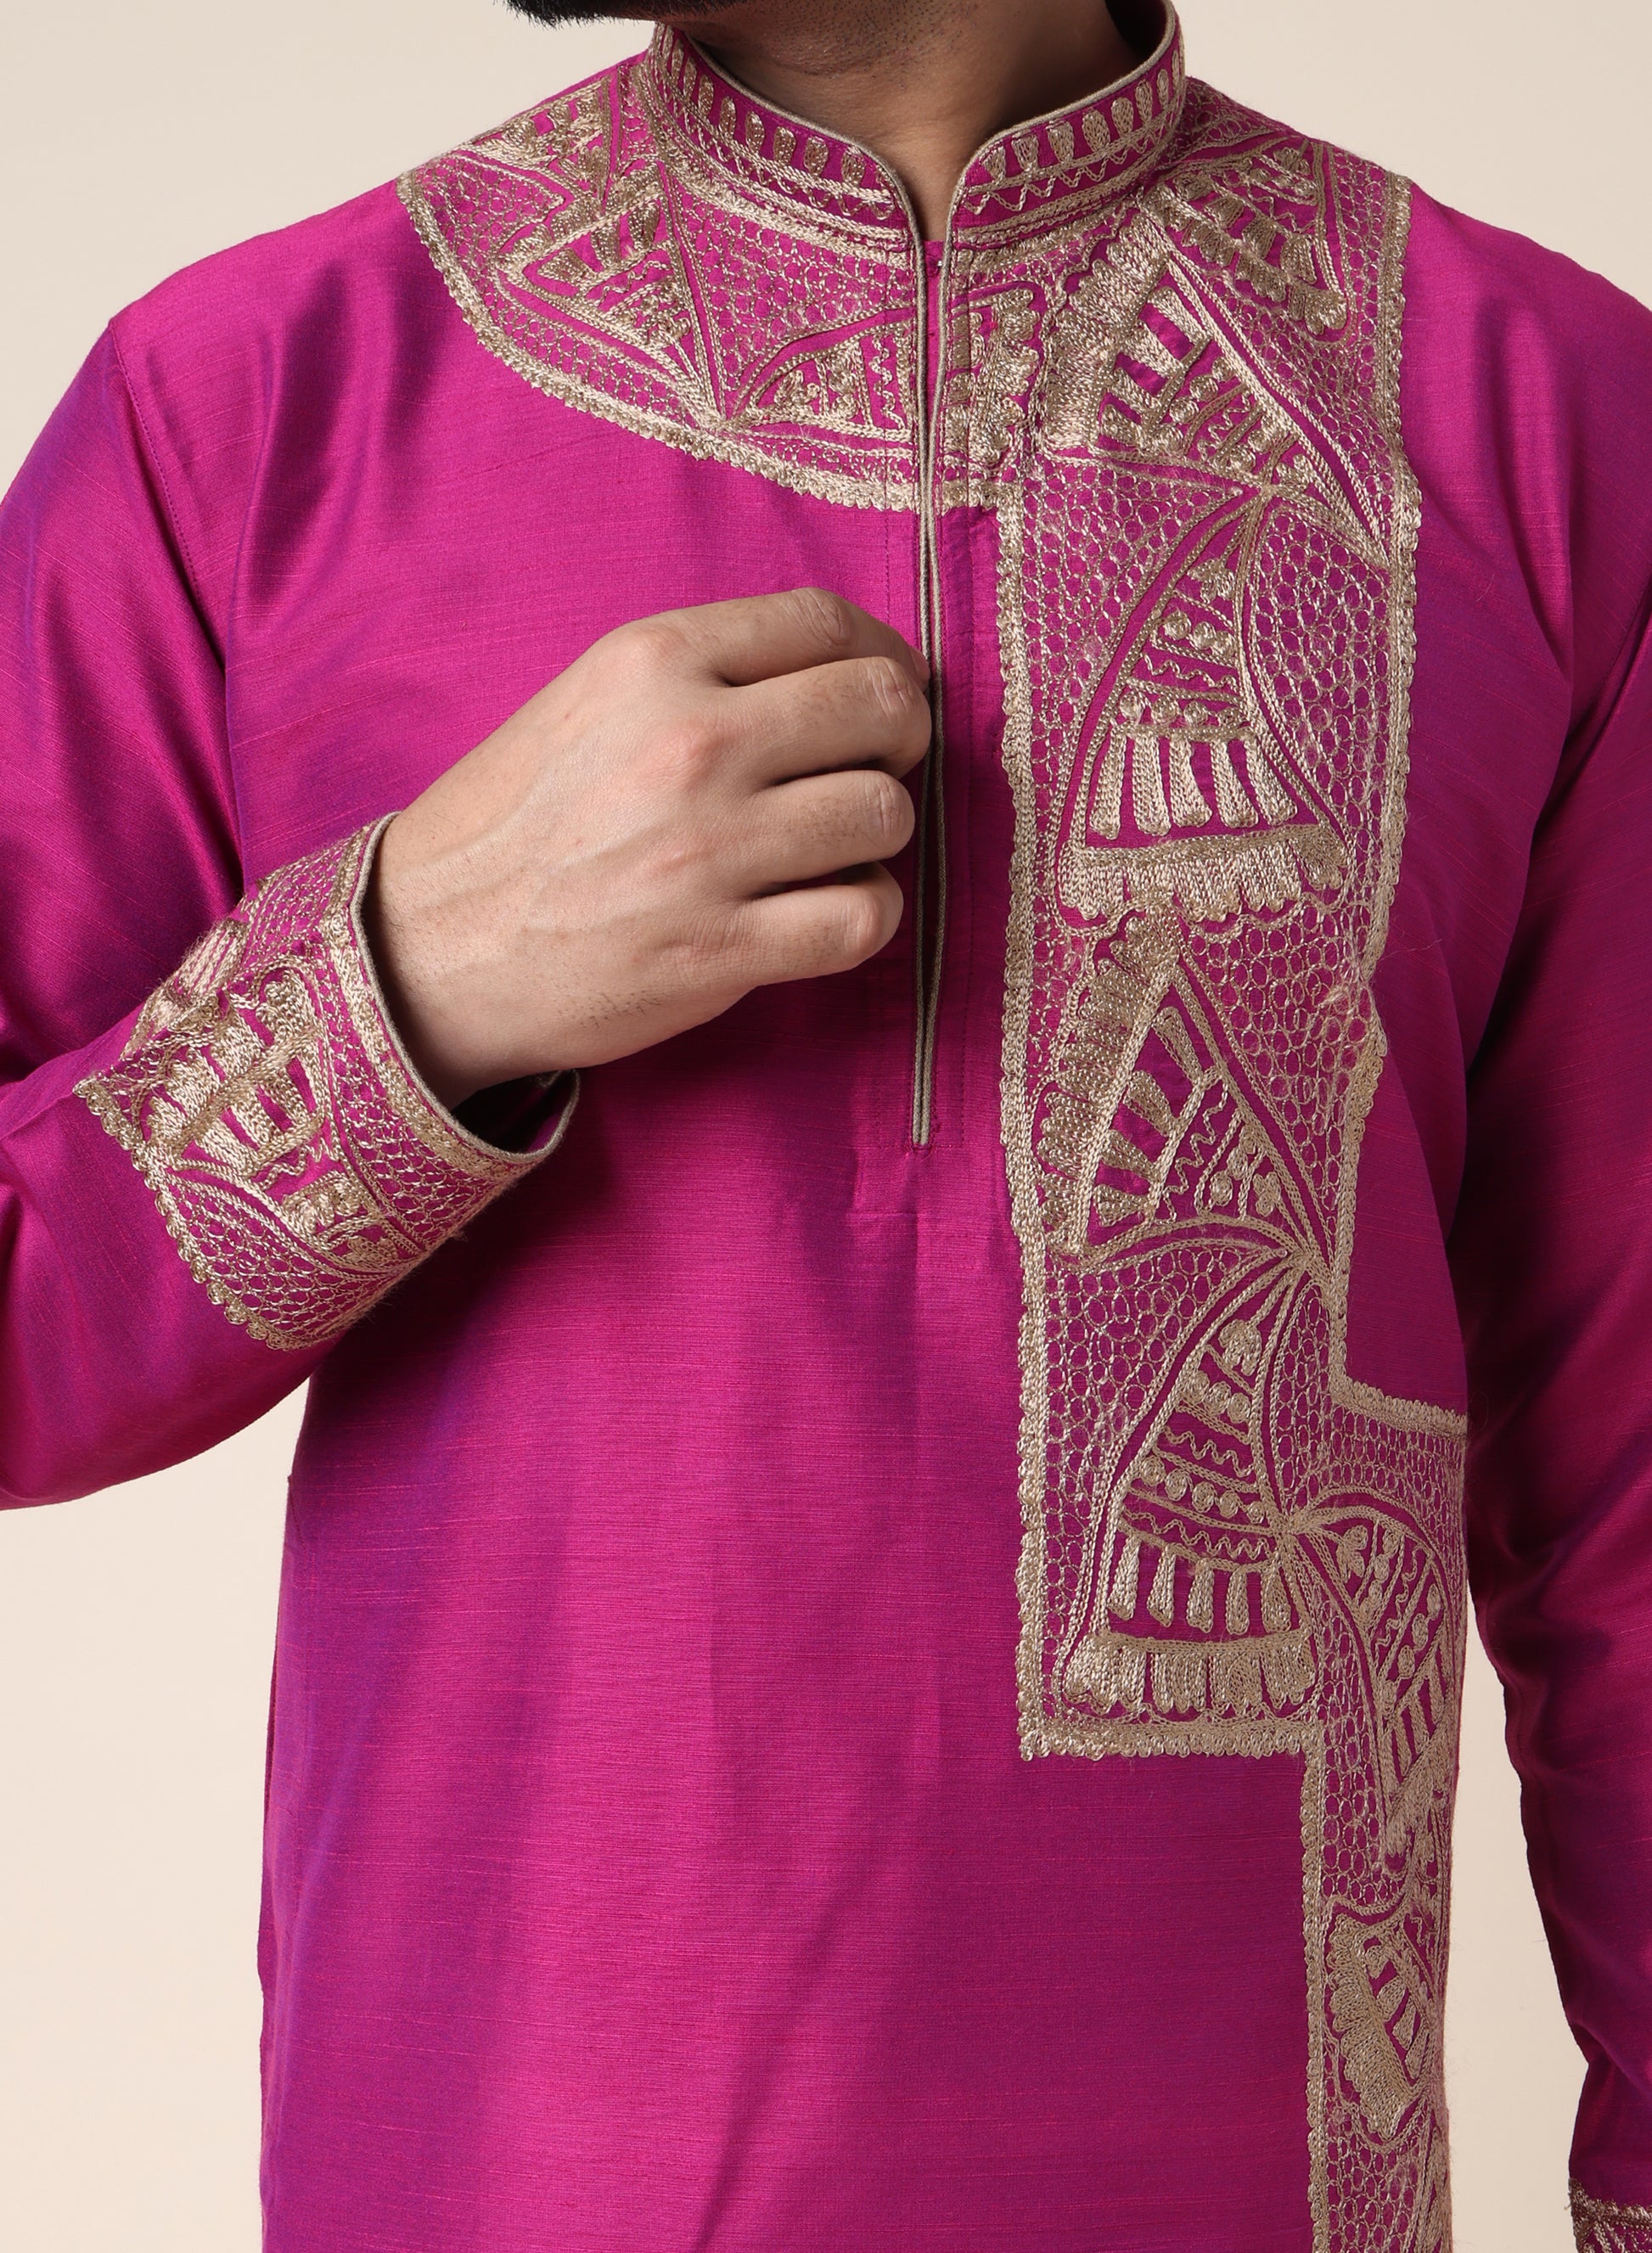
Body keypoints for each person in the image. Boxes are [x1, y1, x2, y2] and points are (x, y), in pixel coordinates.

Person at [2, 0, 1649, 2244]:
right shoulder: (253, 403)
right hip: (502, 2165)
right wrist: (407, 979)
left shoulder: (1544, 421)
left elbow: (1628, 1488)